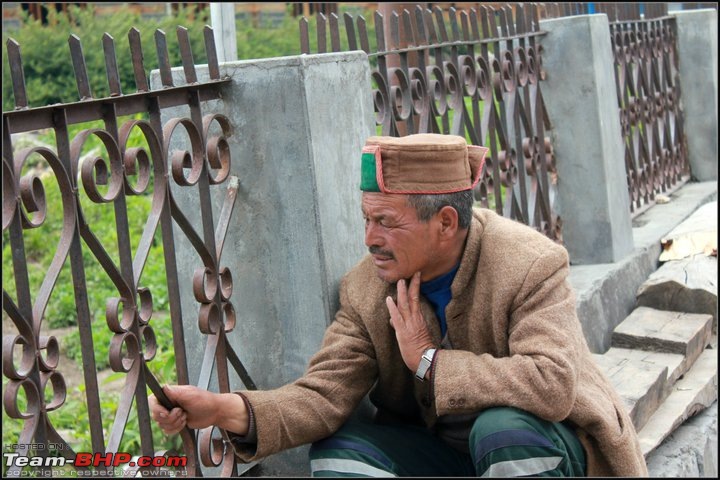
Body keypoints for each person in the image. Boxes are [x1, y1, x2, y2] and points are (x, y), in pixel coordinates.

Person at [150, 133, 649, 477]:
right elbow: (321, 397)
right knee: (341, 452)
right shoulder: (368, 289)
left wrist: (430, 363)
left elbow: (552, 383)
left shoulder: (528, 264)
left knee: (503, 431)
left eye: (387, 222)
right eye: (367, 220)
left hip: (547, 451)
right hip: (448, 456)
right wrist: (225, 409)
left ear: (446, 224)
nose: (370, 238)